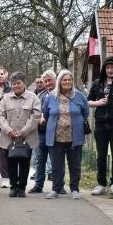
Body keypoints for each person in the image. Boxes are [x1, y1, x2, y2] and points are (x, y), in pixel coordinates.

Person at [41, 69, 89, 199]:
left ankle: (75, 189)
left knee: (75, 165)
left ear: (72, 81)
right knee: (57, 165)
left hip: (74, 136)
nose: (67, 82)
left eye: (69, 79)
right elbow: (45, 113)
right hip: (55, 136)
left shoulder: (79, 96)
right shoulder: (51, 96)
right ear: (59, 81)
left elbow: (86, 113)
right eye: (64, 79)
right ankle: (56, 189)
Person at [87, 56, 113, 196]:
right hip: (101, 123)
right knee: (101, 155)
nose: (110, 70)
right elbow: (88, 101)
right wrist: (98, 103)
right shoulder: (97, 83)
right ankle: (101, 184)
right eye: (108, 67)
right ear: (104, 69)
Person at [0, 71, 41, 197]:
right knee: (10, 162)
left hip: (27, 138)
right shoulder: (5, 99)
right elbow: (0, 116)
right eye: (14, 83)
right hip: (8, 137)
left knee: (24, 162)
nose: (16, 86)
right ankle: (13, 186)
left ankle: (22, 187)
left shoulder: (33, 98)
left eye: (19, 83)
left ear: (24, 83)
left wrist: (24, 131)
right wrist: (8, 130)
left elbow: (36, 115)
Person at [29, 70, 56, 193]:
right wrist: (39, 118)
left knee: (56, 160)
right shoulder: (40, 96)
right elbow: (34, 111)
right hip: (41, 132)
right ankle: (38, 185)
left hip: (56, 132)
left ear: (55, 80)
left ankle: (58, 185)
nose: (47, 83)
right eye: (45, 81)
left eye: (50, 80)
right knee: (40, 159)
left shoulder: (59, 94)